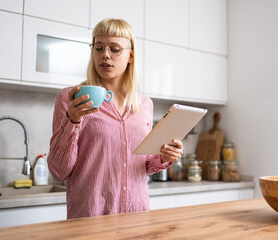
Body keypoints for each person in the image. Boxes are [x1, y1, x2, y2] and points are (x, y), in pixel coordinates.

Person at [47, 18, 183, 219]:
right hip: (90, 217)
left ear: (130, 55)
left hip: (136, 217)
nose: (105, 55)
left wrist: (164, 157)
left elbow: (143, 164)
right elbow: (59, 171)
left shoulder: (144, 104)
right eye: (99, 47)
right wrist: (72, 121)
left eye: (115, 49)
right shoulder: (71, 99)